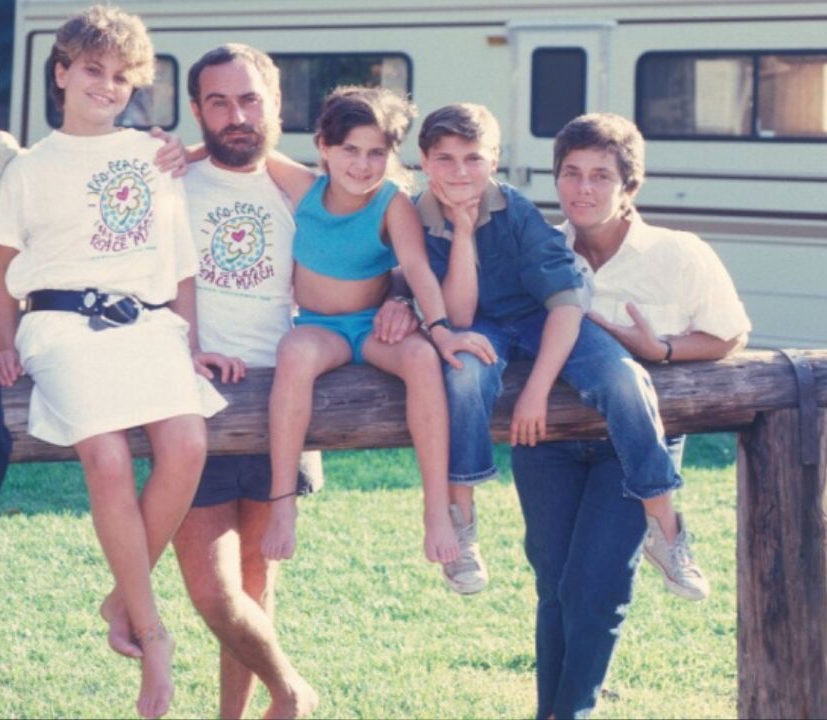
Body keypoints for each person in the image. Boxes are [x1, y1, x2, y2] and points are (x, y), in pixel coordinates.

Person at [0, 7, 220, 719]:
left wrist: (190, 337)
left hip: (146, 326)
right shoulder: (28, 167)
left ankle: (124, 593)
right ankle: (152, 635)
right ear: (61, 72)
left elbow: (179, 266)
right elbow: (1, 274)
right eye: (93, 70)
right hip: (59, 326)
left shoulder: (154, 156)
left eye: (121, 77)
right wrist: (2, 340)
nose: (106, 86)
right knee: (109, 458)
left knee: (187, 443)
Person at [512, 112, 749, 719]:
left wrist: (659, 350)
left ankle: (572, 713)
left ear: (629, 187)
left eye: (600, 176)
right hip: (549, 442)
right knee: (555, 586)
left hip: (636, 449)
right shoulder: (535, 251)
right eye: (570, 173)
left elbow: (727, 336)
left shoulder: (679, 253)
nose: (582, 189)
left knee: (596, 588)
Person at [170, 44, 369, 720]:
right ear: (196, 109)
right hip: (193, 400)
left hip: (280, 400)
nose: (236, 115)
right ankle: (291, 689)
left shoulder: (309, 193)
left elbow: (379, 240)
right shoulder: (170, 185)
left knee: (257, 584)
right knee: (210, 587)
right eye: (219, 102)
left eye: (250, 100)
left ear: (275, 107)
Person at [417, 103, 688, 598]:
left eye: (473, 158)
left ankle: (664, 527)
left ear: (494, 160)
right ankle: (463, 521)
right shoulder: (416, 215)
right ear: (423, 161)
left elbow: (566, 303)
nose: (460, 172)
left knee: (625, 380)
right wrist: (459, 230)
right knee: (463, 375)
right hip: (477, 327)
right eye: (446, 159)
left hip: (545, 320)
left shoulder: (515, 211)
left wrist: (537, 390)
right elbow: (458, 317)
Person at [261, 87, 491, 575]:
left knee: (422, 359)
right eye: (350, 150)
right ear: (324, 145)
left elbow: (418, 268)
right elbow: (256, 149)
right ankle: (283, 501)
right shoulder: (303, 187)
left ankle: (435, 507)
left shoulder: (392, 202)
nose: (363, 165)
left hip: (371, 328)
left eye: (376, 153)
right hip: (320, 329)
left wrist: (442, 331)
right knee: (294, 354)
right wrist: (182, 150)